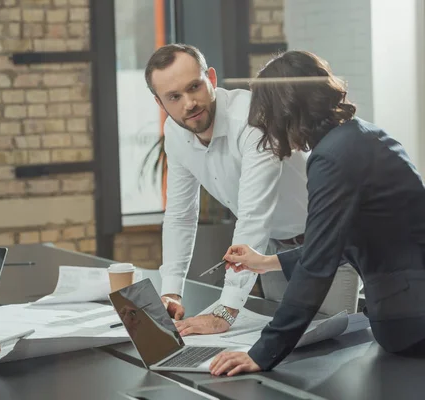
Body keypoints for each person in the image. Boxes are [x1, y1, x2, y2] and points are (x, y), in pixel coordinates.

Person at [209, 50, 425, 377]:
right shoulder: (362, 136)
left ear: (287, 110)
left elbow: (319, 263)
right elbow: (351, 238)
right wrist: (269, 262)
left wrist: (263, 353)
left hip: (410, 321)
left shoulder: (332, 156)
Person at [145, 44, 358, 336]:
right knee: (282, 350)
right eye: (174, 97)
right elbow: (181, 214)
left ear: (212, 79)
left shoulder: (253, 118)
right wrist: (171, 291)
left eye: (194, 87)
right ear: (160, 103)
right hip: (269, 252)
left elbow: (252, 216)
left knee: (330, 343)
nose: (189, 103)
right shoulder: (175, 132)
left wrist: (226, 310)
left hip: (326, 243)